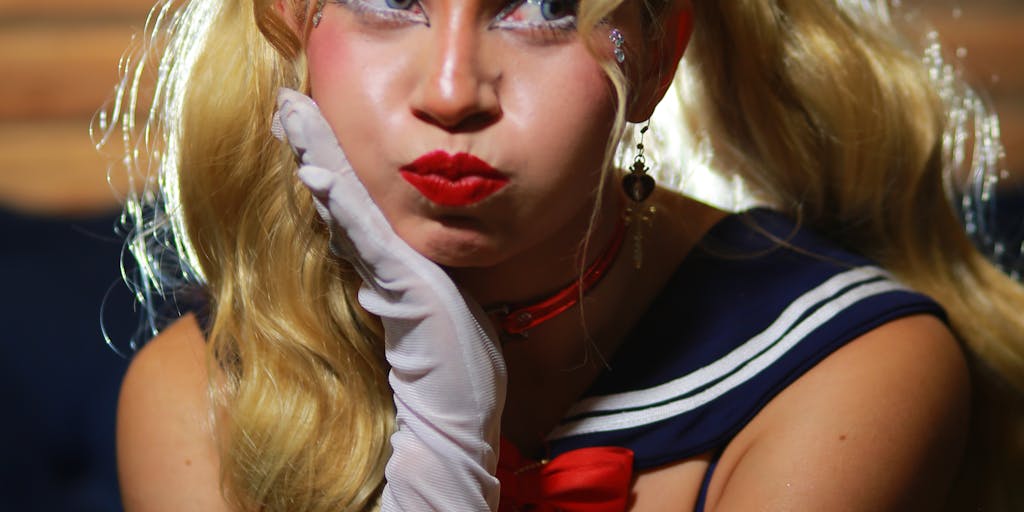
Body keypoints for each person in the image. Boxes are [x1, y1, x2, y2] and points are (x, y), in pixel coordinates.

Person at [108, 0, 1024, 510]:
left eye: (544, 7)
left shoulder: (846, 372)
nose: (453, 89)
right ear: (291, 23)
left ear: (658, 57)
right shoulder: (194, 395)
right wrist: (438, 440)